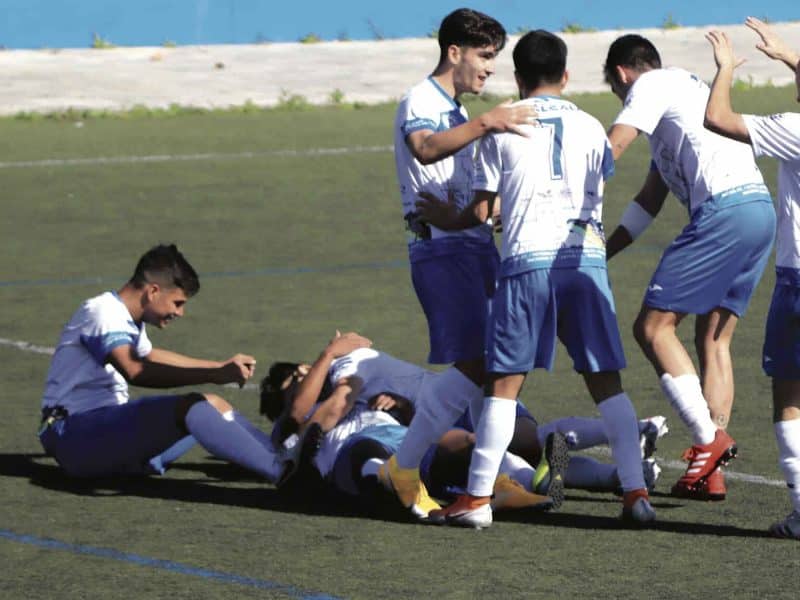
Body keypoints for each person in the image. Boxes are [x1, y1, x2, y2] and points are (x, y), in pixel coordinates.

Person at [416, 30, 655, 528]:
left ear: (518, 79)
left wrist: (451, 212)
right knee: (606, 381)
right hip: (585, 259)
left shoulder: (501, 125)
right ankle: (635, 492)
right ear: (565, 76)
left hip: (528, 261)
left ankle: (478, 500)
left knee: (503, 386)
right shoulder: (592, 126)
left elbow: (483, 211)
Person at [603, 32, 776, 501]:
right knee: (713, 339)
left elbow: (613, 148)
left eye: (619, 93)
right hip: (760, 212)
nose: (624, 100)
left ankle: (708, 440)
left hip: (723, 212)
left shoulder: (651, 85)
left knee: (653, 328)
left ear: (622, 76)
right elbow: (648, 202)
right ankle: (709, 472)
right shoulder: (683, 99)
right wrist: (604, 249)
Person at [386, 7, 537, 519]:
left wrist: (488, 210)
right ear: (455, 52)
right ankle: (404, 467)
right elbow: (424, 149)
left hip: (475, 248)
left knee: (496, 366)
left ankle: (487, 479)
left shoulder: (456, 110)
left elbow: (466, 186)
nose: (491, 68)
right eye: (485, 56)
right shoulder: (421, 100)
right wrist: (488, 121)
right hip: (439, 252)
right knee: (479, 363)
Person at [260, 342, 666, 515]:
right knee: (512, 454)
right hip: (439, 415)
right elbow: (301, 417)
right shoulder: (342, 402)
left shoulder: (346, 364)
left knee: (522, 439)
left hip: (452, 405)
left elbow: (315, 411)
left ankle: (631, 432)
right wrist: (400, 408)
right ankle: (618, 472)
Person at [38, 244, 284, 482]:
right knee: (190, 408)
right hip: (74, 434)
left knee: (211, 403)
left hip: (100, 433)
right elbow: (135, 370)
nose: (180, 313)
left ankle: (282, 459)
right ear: (153, 291)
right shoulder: (102, 312)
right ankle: (283, 474)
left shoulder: (127, 318)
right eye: (178, 303)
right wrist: (213, 373)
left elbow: (149, 355)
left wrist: (219, 367)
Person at [703, 18, 800, 538]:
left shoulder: (794, 129)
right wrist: (789, 57)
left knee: (790, 395)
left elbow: (717, 118)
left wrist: (724, 70)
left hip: (798, 281)